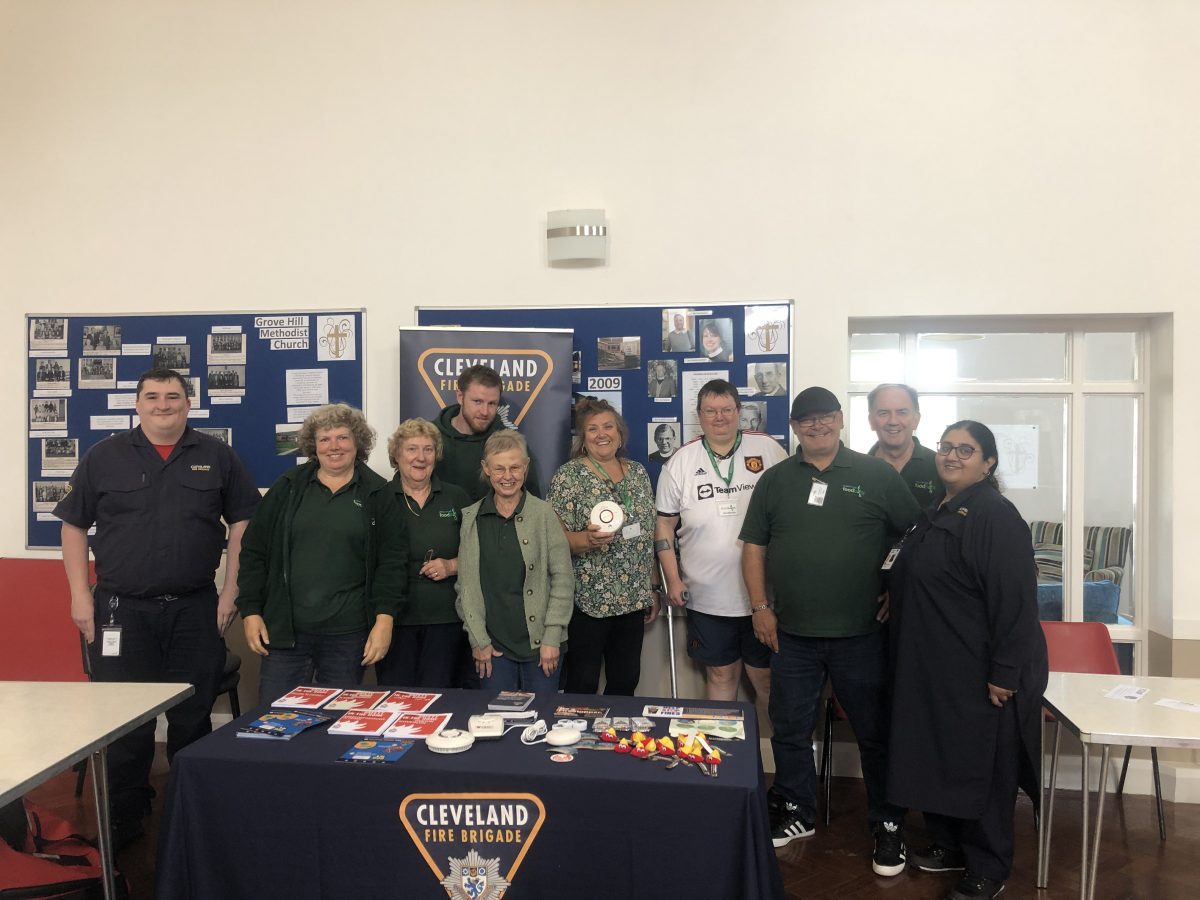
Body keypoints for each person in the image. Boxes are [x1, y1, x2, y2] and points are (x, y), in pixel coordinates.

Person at [55, 367, 260, 848]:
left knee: (193, 716)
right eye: (152, 396)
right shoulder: (104, 457)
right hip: (120, 611)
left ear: (188, 404)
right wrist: (79, 595)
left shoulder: (217, 455)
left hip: (194, 609)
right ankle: (126, 814)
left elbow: (244, 522)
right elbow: (71, 527)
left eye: (172, 396)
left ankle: (190, 811)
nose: (163, 404)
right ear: (138, 404)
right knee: (127, 720)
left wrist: (232, 591)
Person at [740, 386, 919, 875]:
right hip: (792, 635)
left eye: (825, 418)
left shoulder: (875, 475)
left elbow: (915, 536)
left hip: (861, 634)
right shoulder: (775, 481)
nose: (817, 426)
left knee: (874, 734)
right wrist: (759, 606)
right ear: (795, 428)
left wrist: (895, 590)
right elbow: (753, 546)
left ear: (841, 420)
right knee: (791, 728)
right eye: (806, 420)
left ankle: (887, 823)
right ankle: (797, 811)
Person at [887, 421, 1048, 900]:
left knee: (983, 769)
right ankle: (950, 845)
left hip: (980, 671)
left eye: (966, 449)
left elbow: (1017, 601)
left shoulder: (994, 515)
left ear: (988, 463)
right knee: (941, 760)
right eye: (946, 447)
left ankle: (988, 865)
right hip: (933, 667)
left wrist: (1005, 672)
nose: (952, 456)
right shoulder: (936, 509)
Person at [237, 403, 407, 703]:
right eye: (325, 439)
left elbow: (391, 564)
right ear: (313, 446)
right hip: (285, 633)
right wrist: (250, 611)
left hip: (348, 635)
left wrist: (384, 621)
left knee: (336, 726)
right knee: (274, 724)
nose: (334, 447)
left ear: (358, 442)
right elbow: (253, 551)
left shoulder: (377, 493)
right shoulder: (288, 488)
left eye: (342, 437)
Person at [655, 380, 787, 718]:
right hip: (707, 597)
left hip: (764, 596)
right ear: (699, 415)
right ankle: (721, 760)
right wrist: (673, 579)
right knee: (720, 676)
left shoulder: (769, 450)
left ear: (739, 412)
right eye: (711, 411)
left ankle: (772, 761)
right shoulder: (680, 462)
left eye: (727, 410)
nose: (719, 417)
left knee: (768, 681)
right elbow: (664, 525)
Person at [548, 399, 660, 695]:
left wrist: (652, 587)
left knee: (626, 681)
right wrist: (586, 540)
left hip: (633, 601)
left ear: (620, 434)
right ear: (583, 439)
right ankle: (575, 738)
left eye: (608, 426)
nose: (602, 434)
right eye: (592, 429)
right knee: (582, 682)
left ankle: (615, 739)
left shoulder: (638, 474)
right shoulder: (569, 477)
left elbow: (647, 535)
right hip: (588, 602)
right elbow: (555, 541)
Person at [456, 431, 573, 694]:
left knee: (541, 721)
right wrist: (478, 642)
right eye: (499, 468)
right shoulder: (471, 518)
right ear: (486, 469)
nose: (507, 476)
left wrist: (552, 637)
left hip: (542, 645)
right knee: (496, 723)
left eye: (514, 467)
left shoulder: (544, 514)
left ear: (526, 467)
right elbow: (466, 589)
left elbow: (563, 580)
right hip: (493, 649)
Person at [376, 418, 472, 689]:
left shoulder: (456, 497)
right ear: (397, 454)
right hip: (395, 620)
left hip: (446, 619)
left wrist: (452, 565)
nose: (420, 457)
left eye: (428, 449)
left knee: (441, 697)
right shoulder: (380, 498)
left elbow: (483, 552)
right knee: (397, 698)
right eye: (412, 449)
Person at [434, 364, 542, 501]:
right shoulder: (430, 440)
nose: (485, 412)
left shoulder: (511, 443)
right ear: (460, 397)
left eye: (492, 404)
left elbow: (532, 503)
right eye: (478, 401)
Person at [867, 383, 942, 506]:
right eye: (883, 413)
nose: (893, 421)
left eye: (902, 412)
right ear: (871, 421)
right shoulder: (857, 470)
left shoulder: (940, 466)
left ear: (916, 419)